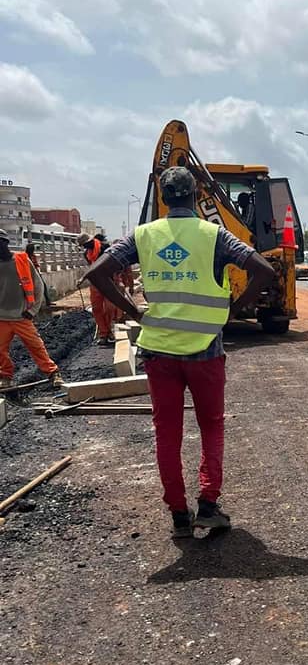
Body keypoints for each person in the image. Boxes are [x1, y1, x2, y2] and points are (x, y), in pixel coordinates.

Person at [86, 166, 275, 538]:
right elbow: (264, 270)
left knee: (167, 433)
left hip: (158, 352)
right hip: (206, 350)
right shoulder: (214, 236)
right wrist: (231, 311)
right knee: (211, 427)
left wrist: (132, 310)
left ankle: (178, 515)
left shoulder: (143, 236)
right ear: (193, 196)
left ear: (163, 197)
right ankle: (208, 505)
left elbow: (97, 272)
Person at [0, 229, 64, 389]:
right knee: (0, 351)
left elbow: (38, 286)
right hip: (1, 317)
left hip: (22, 316)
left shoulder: (22, 260)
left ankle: (53, 373)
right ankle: (5, 377)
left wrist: (33, 310)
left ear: (5, 243)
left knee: (36, 346)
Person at [78, 232, 114, 345]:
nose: (86, 247)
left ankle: (108, 331)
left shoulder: (105, 248)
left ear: (91, 240)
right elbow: (92, 267)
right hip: (95, 282)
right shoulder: (87, 254)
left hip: (109, 280)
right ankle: (104, 334)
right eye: (84, 246)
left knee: (109, 308)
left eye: (87, 244)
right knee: (96, 308)